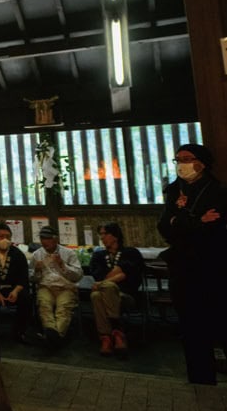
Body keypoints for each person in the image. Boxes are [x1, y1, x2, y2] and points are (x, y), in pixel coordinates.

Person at [157, 143, 227, 384]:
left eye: (187, 158)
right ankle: (200, 380)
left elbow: (214, 227)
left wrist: (182, 222)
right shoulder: (175, 190)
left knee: (220, 322)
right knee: (191, 327)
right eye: (178, 159)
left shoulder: (216, 190)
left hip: (213, 266)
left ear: (202, 162)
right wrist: (196, 222)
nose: (181, 164)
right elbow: (164, 226)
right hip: (182, 268)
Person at [89, 222, 144, 356]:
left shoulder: (131, 253)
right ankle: (113, 333)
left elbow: (130, 275)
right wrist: (118, 274)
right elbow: (99, 275)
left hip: (126, 295)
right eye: (100, 234)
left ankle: (108, 335)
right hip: (103, 295)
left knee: (104, 288)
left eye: (105, 234)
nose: (102, 237)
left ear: (115, 236)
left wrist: (104, 282)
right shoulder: (98, 256)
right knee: (96, 295)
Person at [31, 225, 83, 347]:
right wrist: (37, 271)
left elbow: (78, 275)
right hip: (46, 287)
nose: (44, 242)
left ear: (55, 239)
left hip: (66, 287)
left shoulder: (68, 253)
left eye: (48, 239)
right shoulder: (36, 255)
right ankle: (53, 335)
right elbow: (32, 279)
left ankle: (53, 336)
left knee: (63, 308)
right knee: (44, 305)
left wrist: (62, 265)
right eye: (42, 239)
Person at [0, 222, 31, 343]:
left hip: (13, 290)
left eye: (8, 236)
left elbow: (23, 276)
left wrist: (16, 291)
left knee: (25, 297)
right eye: (1, 236)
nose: (5, 239)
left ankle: (20, 331)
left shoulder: (17, 254)